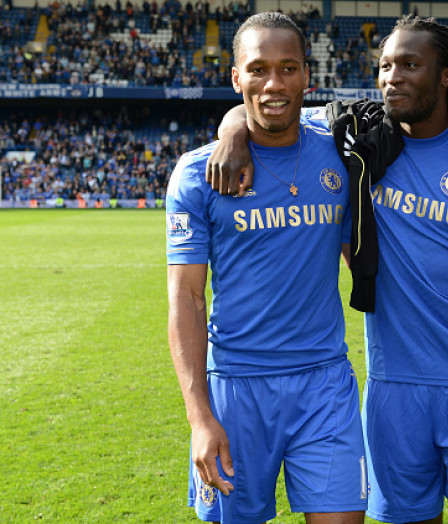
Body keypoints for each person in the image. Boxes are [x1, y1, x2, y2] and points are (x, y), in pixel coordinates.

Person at [209, 15, 448, 523]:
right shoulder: (358, 139)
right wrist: (231, 131)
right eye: (384, 65)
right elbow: (272, 103)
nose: (392, 78)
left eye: (409, 65)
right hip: (391, 390)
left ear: (447, 75)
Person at [166, 13, 366, 524]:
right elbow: (187, 298)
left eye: (288, 68)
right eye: (257, 70)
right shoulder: (197, 174)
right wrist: (199, 417)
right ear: (236, 79)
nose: (274, 83)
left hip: (325, 385)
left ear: (307, 76)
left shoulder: (344, 156)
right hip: (235, 390)